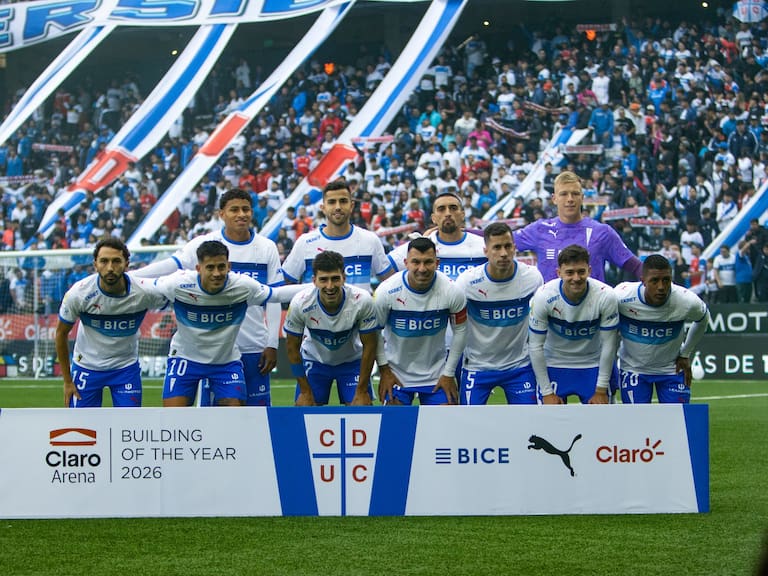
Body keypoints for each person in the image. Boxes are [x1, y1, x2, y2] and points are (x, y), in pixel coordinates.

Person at [133, 189, 283, 406]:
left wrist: (272, 344)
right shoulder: (205, 244)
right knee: (210, 415)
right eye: (234, 210)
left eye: (245, 209)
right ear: (221, 214)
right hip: (212, 352)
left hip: (253, 345)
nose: (241, 214)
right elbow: (171, 265)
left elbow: (274, 297)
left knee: (256, 414)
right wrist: (129, 277)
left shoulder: (266, 247)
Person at [140, 240, 300, 407]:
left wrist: (314, 287)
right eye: (210, 267)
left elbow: (276, 294)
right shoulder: (177, 284)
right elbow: (145, 287)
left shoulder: (242, 286)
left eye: (221, 267)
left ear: (229, 266)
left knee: (234, 410)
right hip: (185, 358)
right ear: (198, 268)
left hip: (225, 362)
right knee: (173, 416)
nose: (216, 273)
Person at [56, 238, 167, 408]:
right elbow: (60, 333)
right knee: (82, 424)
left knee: (130, 424)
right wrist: (67, 381)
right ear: (95, 264)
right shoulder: (79, 294)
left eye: (116, 261)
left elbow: (179, 298)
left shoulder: (145, 292)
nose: (110, 267)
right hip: (86, 366)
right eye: (104, 261)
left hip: (125, 368)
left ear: (126, 264)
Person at [454, 222, 543, 404]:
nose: (503, 253)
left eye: (508, 246)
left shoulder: (532, 278)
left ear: (515, 248)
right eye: (497, 247)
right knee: (468, 420)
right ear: (486, 251)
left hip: (519, 366)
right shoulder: (467, 283)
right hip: (477, 366)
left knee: (530, 419)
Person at [373, 237, 467, 405]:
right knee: (394, 418)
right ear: (406, 263)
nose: (422, 269)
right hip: (397, 374)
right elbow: (374, 333)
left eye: (428, 262)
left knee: (447, 418)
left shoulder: (452, 291)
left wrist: (449, 373)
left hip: (436, 375)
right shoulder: (386, 291)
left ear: (437, 263)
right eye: (416, 262)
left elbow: (460, 331)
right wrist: (384, 370)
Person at [284, 251, 379, 406]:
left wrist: (362, 390)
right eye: (323, 280)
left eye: (335, 279)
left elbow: (370, 345)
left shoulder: (362, 300)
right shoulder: (300, 303)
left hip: (352, 361)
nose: (330, 286)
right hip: (315, 360)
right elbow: (291, 347)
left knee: (361, 408)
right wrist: (305, 392)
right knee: (305, 407)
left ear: (344, 278)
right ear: (314, 281)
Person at [528, 244, 619, 404]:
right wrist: (547, 392)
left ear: (589, 271)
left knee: (602, 419)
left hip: (593, 363)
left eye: (581, 272)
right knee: (549, 419)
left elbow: (609, 345)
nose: (576, 278)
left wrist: (601, 389)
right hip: (554, 363)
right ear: (559, 273)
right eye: (569, 272)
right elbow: (535, 346)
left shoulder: (605, 296)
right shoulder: (544, 296)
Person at [614, 254, 710, 404]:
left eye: (666, 280)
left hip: (672, 370)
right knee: (636, 419)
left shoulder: (687, 301)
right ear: (643, 280)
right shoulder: (621, 296)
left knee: (676, 419)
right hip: (633, 369)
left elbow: (703, 320)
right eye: (654, 281)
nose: (661, 287)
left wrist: (685, 353)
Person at [513, 171, 642, 282]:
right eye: (564, 194)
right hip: (550, 303)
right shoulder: (539, 229)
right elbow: (503, 243)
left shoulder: (602, 232)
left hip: (592, 303)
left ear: (582, 197)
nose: (570, 199)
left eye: (575, 194)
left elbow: (635, 266)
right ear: (554, 198)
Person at [281, 178, 392, 290]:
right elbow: (284, 285)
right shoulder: (305, 243)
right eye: (332, 202)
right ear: (323, 208)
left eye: (343, 201)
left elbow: (390, 283)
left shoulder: (370, 240)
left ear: (352, 206)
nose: (338, 207)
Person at [387, 191, 486, 280]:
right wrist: (420, 242)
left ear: (462, 215)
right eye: (441, 209)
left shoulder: (483, 246)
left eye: (453, 208)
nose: (448, 213)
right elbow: (384, 269)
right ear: (433, 218)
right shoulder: (422, 244)